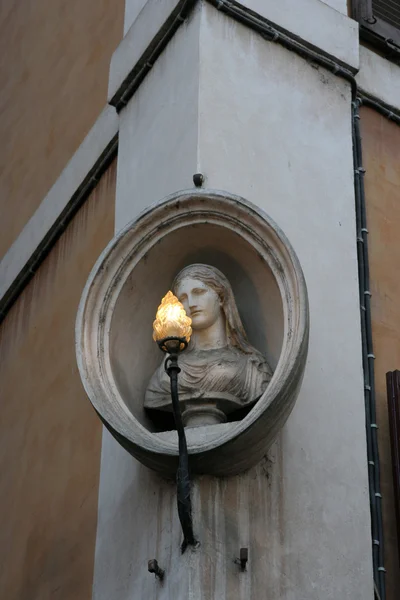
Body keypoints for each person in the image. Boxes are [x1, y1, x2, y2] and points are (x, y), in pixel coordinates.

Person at [145, 264, 272, 426]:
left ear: (221, 297)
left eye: (198, 292)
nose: (190, 303)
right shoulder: (167, 371)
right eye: (183, 298)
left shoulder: (253, 368)